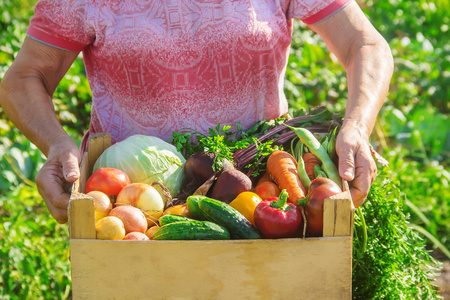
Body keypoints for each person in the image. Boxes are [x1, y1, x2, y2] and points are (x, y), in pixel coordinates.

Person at [0, 0, 393, 224]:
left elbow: (364, 44)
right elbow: (23, 78)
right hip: (132, 207)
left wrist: (356, 127)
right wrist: (56, 143)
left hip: (261, 195)